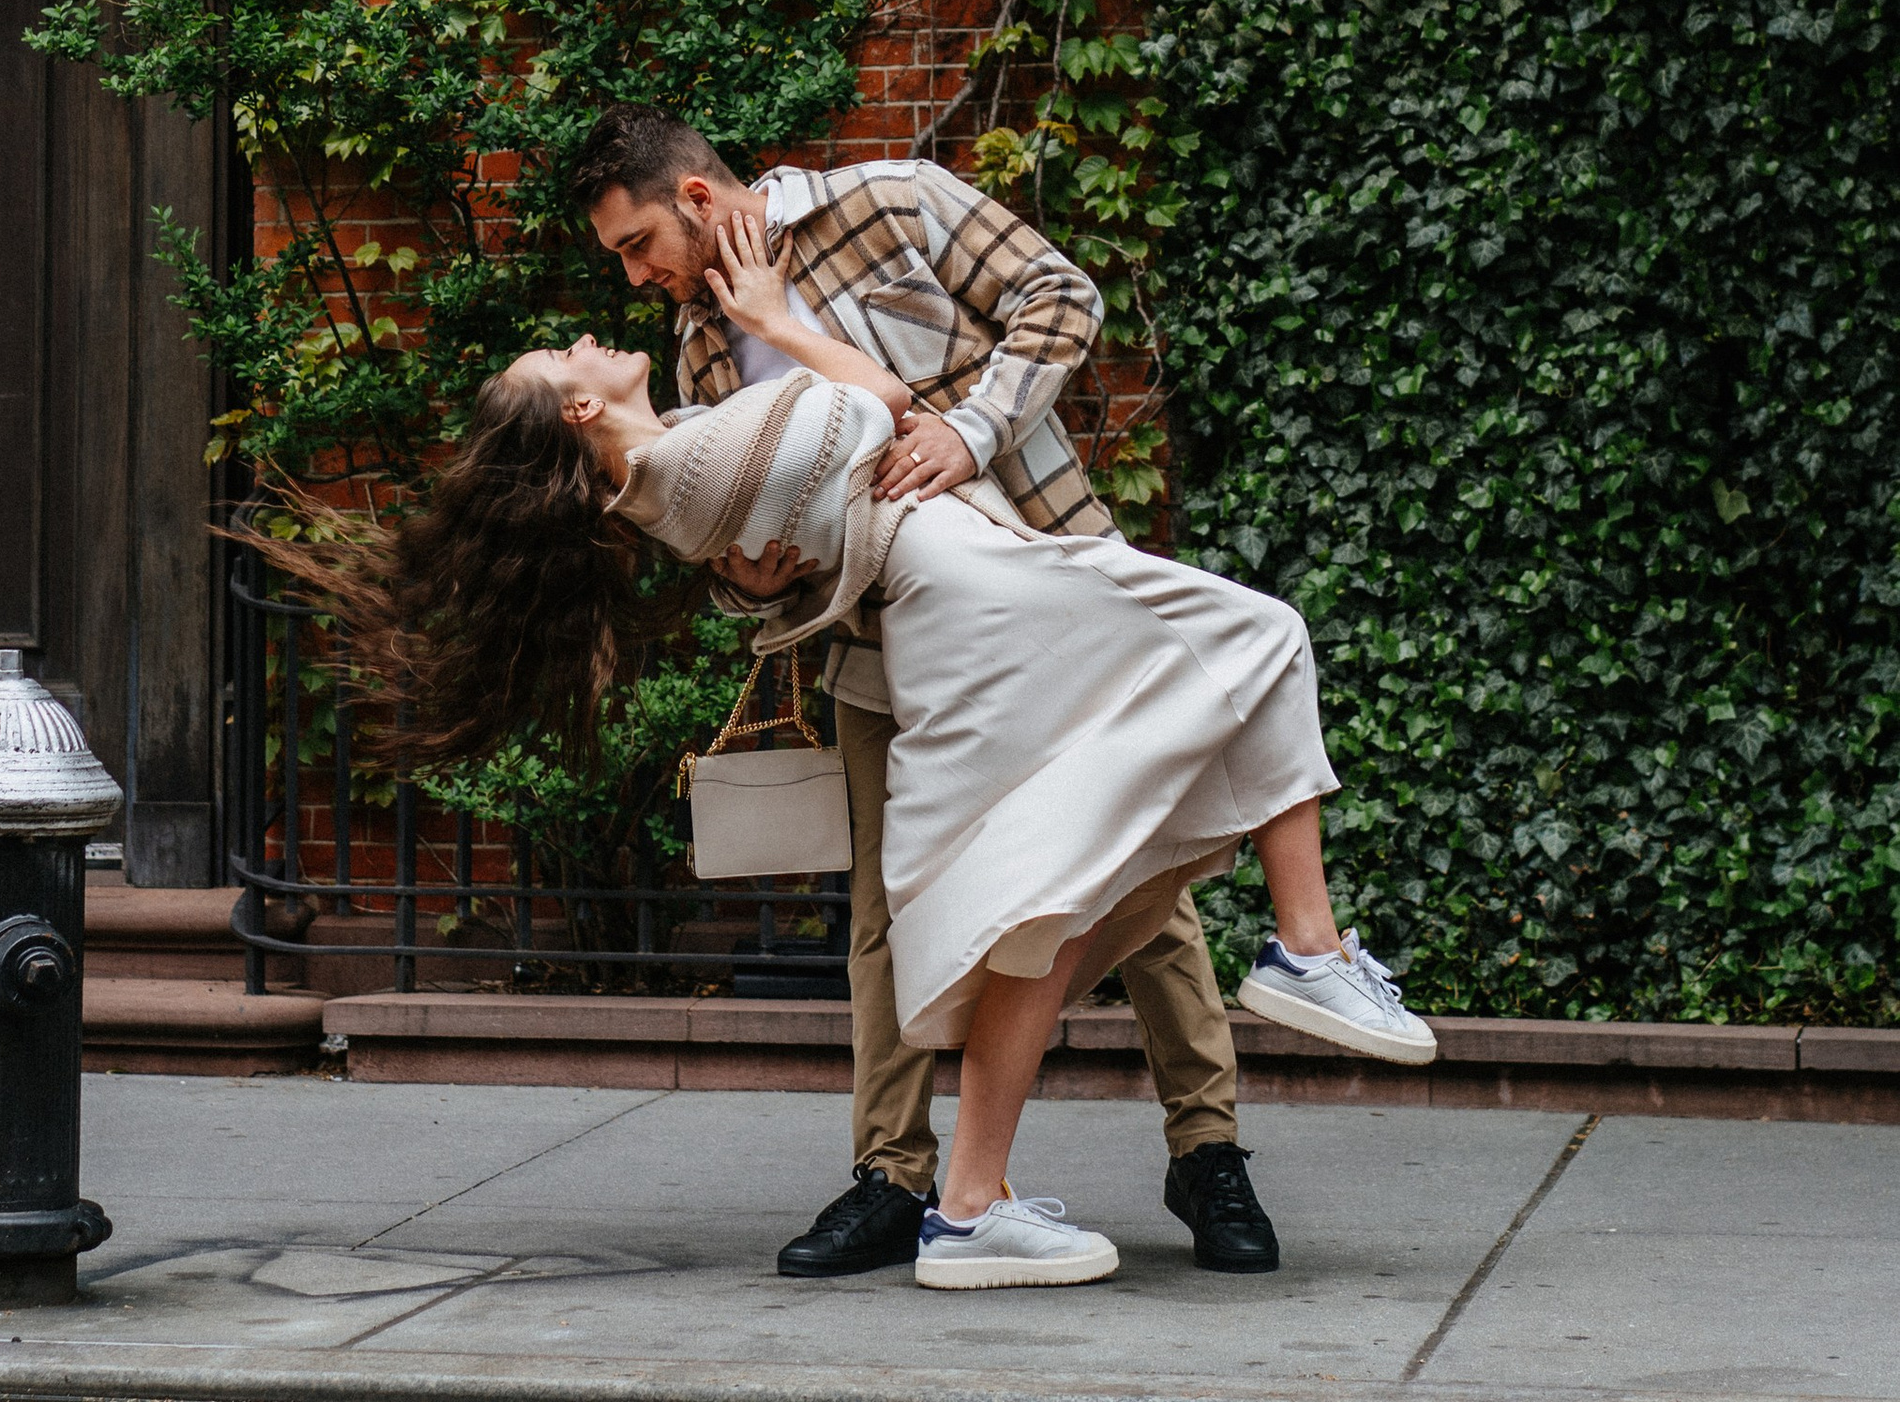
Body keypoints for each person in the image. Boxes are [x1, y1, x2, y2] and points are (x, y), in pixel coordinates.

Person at [343, 303, 1433, 1293]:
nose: (586, 333)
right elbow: (880, 398)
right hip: (982, 596)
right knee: (1263, 635)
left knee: (1046, 910)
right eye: (564, 351)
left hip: (957, 609)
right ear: (581, 408)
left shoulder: (671, 465)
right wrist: (774, 316)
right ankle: (1308, 949)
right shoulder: (694, 453)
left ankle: (967, 1208)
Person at [571, 109, 1408, 1278]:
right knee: (889, 907)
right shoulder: (700, 346)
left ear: (701, 199)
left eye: (638, 241)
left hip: (1051, 573)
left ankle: (1206, 1152)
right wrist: (754, 579)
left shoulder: (888, 201)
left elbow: (1062, 299)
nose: (637, 272)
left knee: (1143, 872)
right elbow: (746, 532)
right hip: (882, 638)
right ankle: (895, 1179)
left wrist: (968, 431)